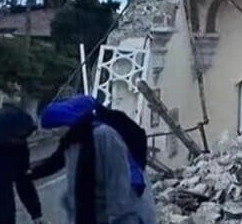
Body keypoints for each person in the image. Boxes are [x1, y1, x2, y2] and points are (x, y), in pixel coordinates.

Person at [36, 95, 155, 224]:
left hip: (126, 201)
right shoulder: (73, 141)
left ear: (66, 122)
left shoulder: (104, 135)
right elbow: (56, 163)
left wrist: (117, 216)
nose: (53, 134)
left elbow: (119, 187)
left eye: (54, 130)